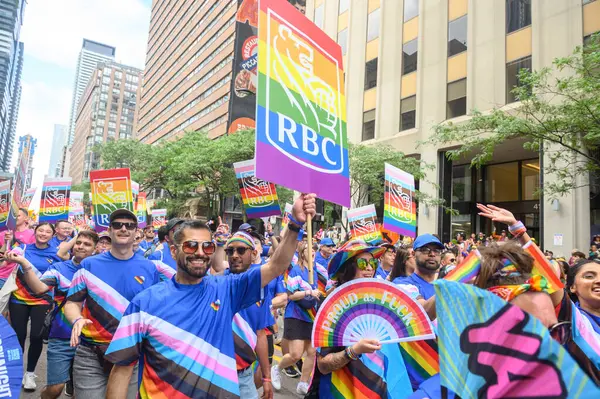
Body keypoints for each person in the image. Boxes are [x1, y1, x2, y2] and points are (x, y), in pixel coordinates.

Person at [103, 194, 315, 398]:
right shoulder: (144, 303)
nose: (200, 252)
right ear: (174, 251)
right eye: (190, 245)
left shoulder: (227, 289)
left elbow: (276, 265)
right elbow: (121, 370)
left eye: (208, 246)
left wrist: (295, 224)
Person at [477, 203, 600, 384]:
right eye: (589, 276)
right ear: (571, 287)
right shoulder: (576, 323)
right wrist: (518, 230)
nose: (598, 280)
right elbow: (549, 279)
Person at [63, 209, 164, 399]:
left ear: (137, 232)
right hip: (90, 354)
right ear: (109, 230)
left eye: (129, 225)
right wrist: (76, 319)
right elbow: (72, 303)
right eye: (118, 224)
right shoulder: (89, 265)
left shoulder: (150, 268)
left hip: (130, 353)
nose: (123, 228)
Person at [9, 230, 99, 399]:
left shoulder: (101, 271)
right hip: (61, 337)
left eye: (87, 244)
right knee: (55, 389)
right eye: (78, 243)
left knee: (81, 392)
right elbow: (39, 288)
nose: (81, 247)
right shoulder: (59, 268)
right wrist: (24, 263)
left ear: (94, 249)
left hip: (90, 340)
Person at [309, 239, 400, 398]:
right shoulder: (332, 305)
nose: (370, 268)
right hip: (339, 390)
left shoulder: (379, 302)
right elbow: (323, 365)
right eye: (363, 263)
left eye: (373, 262)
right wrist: (354, 351)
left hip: (375, 389)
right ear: (349, 268)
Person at [9, 222, 62, 390]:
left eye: (48, 232)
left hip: (43, 299)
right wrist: (7, 245)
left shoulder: (57, 253)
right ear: (35, 232)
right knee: (18, 336)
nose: (44, 233)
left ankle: (30, 374)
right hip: (19, 299)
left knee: (37, 337)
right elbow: (9, 256)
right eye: (41, 230)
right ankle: (15, 373)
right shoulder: (23, 248)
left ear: (52, 235)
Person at [223, 232, 274, 399]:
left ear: (253, 254)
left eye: (240, 250)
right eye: (230, 251)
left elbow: (260, 334)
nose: (234, 255)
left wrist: (266, 376)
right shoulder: (216, 283)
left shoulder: (260, 288)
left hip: (244, 376)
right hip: (216, 373)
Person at [272, 240, 320, 395]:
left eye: (314, 249)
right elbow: (291, 295)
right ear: (301, 252)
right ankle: (277, 368)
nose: (312, 251)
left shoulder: (315, 272)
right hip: (295, 316)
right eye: (308, 249)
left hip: (311, 317)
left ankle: (303, 383)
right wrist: (308, 293)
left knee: (312, 352)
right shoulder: (296, 271)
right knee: (295, 355)